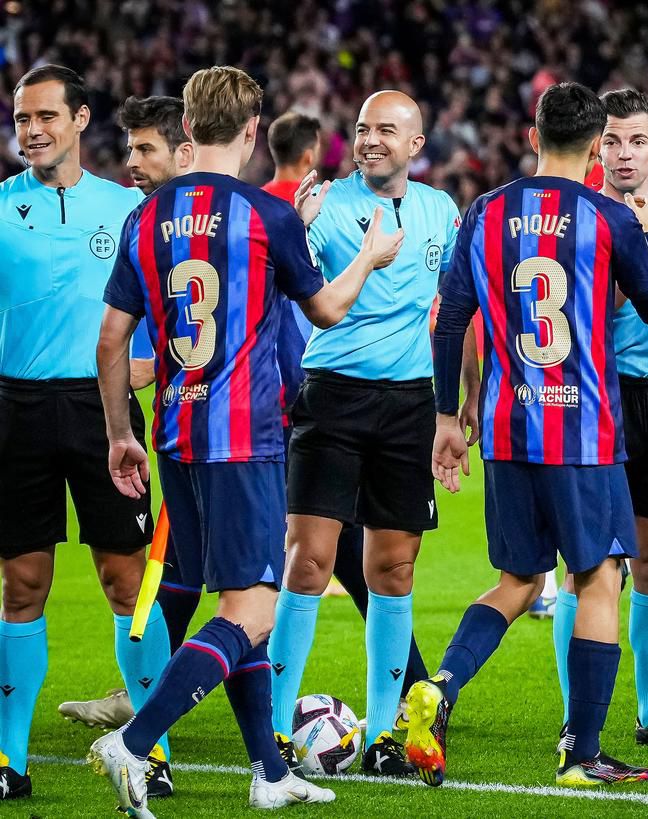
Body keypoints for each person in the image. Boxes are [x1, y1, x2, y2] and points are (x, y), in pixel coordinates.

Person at [88, 65, 401, 814]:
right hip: (244, 437)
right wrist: (368, 257)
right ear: (253, 131)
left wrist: (117, 436)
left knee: (236, 600)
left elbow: (109, 341)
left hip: (173, 432)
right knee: (252, 611)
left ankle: (269, 769)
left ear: (188, 127)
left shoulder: (147, 217)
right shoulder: (268, 215)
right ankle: (132, 743)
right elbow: (324, 311)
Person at [405, 81, 648, 788]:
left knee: (518, 580)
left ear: (532, 137)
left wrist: (444, 415)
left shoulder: (485, 212)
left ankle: (440, 685)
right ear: (594, 150)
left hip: (504, 427)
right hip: (582, 432)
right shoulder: (608, 214)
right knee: (599, 578)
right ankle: (582, 751)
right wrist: (644, 235)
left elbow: (451, 318)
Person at [269, 90, 461, 777]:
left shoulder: (442, 211)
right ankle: (274, 729)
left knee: (393, 569)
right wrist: (294, 225)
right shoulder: (325, 205)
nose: (371, 139)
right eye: (362, 128)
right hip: (331, 398)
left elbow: (458, 307)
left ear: (416, 145)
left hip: (408, 404)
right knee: (309, 561)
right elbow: (290, 287)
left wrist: (454, 411)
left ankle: (383, 735)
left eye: (387, 130)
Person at [0, 65, 169, 802]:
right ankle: (9, 758)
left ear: (79, 120)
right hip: (17, 411)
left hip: (102, 414)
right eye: (20, 118)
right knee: (22, 582)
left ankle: (151, 745)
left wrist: (143, 364)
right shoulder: (0, 207)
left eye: (44, 116)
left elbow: (168, 307)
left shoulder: (126, 208)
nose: (31, 130)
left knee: (128, 579)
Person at [548, 88, 648, 751]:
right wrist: (640, 238)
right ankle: (575, 717)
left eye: (637, 140)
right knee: (591, 566)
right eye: (611, 140)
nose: (624, 153)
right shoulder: (583, 219)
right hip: (598, 398)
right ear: (597, 147)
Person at [57, 100, 194, 781]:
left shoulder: (214, 222)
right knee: (165, 577)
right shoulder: (138, 222)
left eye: (145, 150)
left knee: (244, 579)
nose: (132, 163)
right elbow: (133, 342)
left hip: (231, 429)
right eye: (129, 151)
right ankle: (151, 728)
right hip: (165, 429)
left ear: (186, 148)